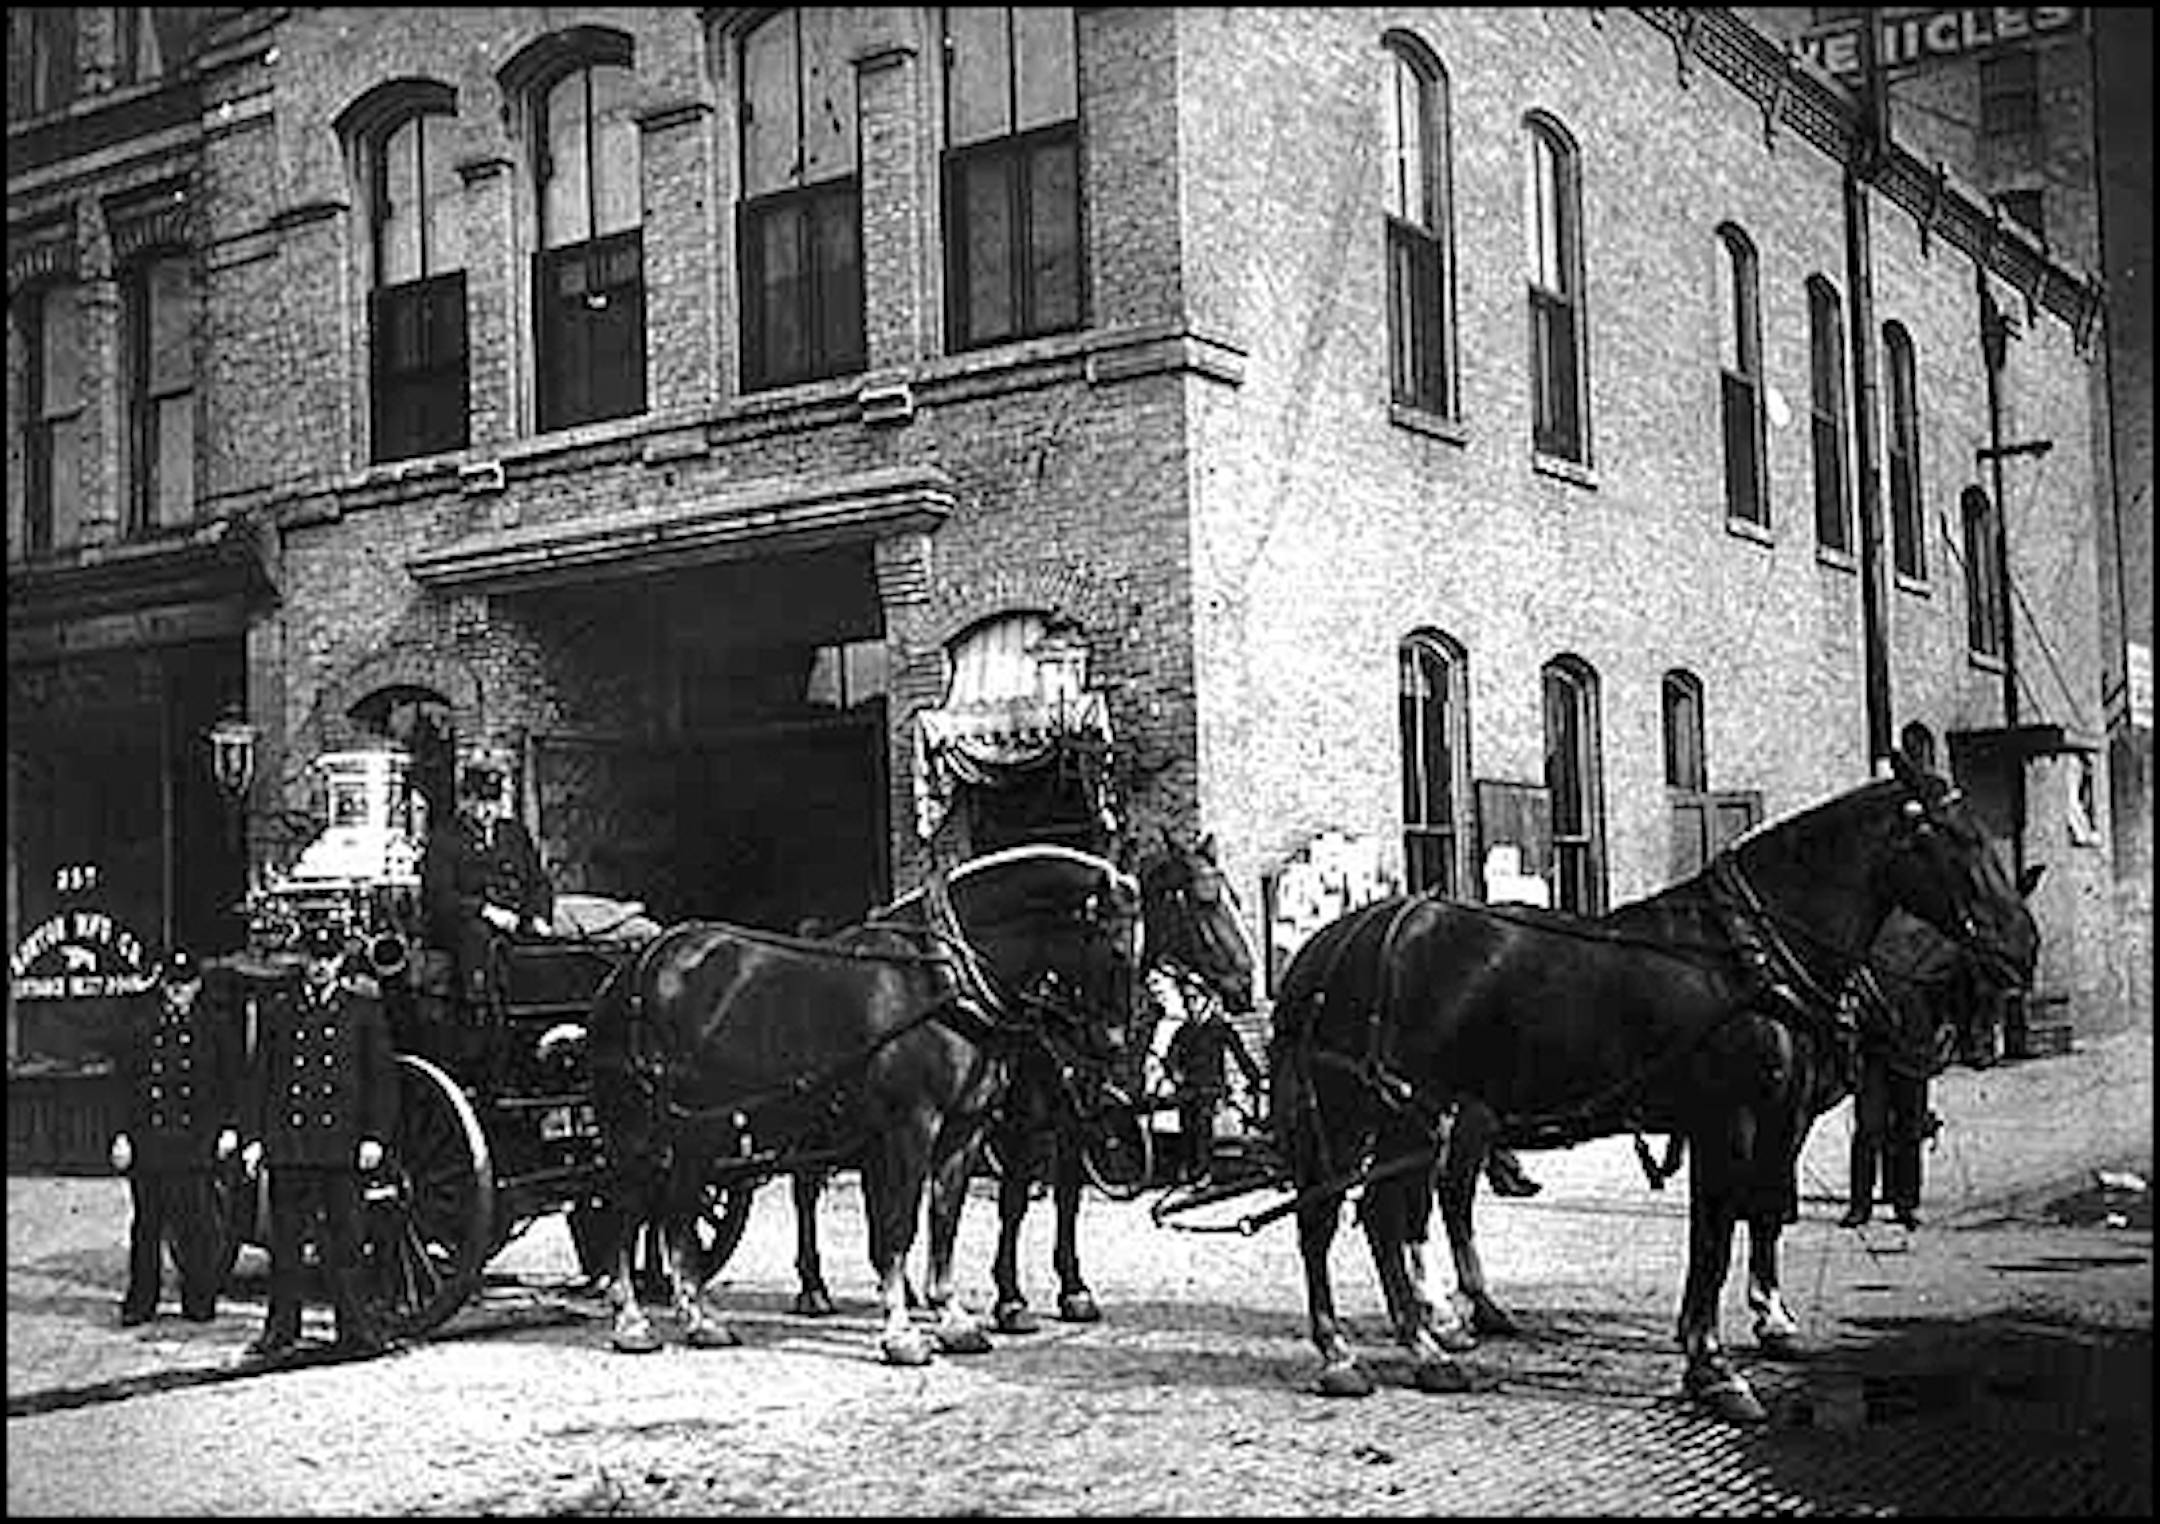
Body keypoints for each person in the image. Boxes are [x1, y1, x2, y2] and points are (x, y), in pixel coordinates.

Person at [240, 925, 400, 1360]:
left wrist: (375, 1137)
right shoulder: (279, 1011)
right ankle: (281, 1329)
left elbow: (380, 1082)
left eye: (328, 960)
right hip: (291, 1146)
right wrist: (254, 1139)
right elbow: (260, 1079)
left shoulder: (362, 1012)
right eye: (313, 959)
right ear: (303, 961)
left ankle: (355, 1329)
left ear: (340, 964)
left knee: (346, 1243)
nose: (320, 968)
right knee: (287, 1244)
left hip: (341, 1146)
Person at [110, 948, 242, 1325]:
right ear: (161, 983)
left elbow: (233, 1082)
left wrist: (231, 1128)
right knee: (147, 1224)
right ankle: (141, 1300)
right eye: (171, 983)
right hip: (150, 1138)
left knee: (195, 1224)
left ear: (197, 986)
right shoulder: (140, 1024)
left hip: (194, 1139)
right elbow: (124, 1086)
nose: (177, 991)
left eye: (185, 984)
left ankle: (199, 1299)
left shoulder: (214, 1026)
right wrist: (122, 1135)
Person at [1840, 907, 1962, 1230]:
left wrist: (1943, 1032)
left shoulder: (1934, 948)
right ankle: (1860, 1205)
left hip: (1914, 1047)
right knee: (1869, 1127)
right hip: (1876, 1048)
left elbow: (1946, 997)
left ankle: (1905, 1204)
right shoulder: (1873, 936)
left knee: (1910, 1128)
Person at [420, 753, 554, 1009]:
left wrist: (539, 915)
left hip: (516, 920)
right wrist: (485, 910)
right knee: (479, 940)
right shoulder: (445, 838)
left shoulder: (514, 834)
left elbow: (538, 881)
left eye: (493, 800)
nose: (487, 809)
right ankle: (482, 1012)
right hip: (466, 926)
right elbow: (439, 895)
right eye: (480, 801)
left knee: (546, 951)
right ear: (466, 801)